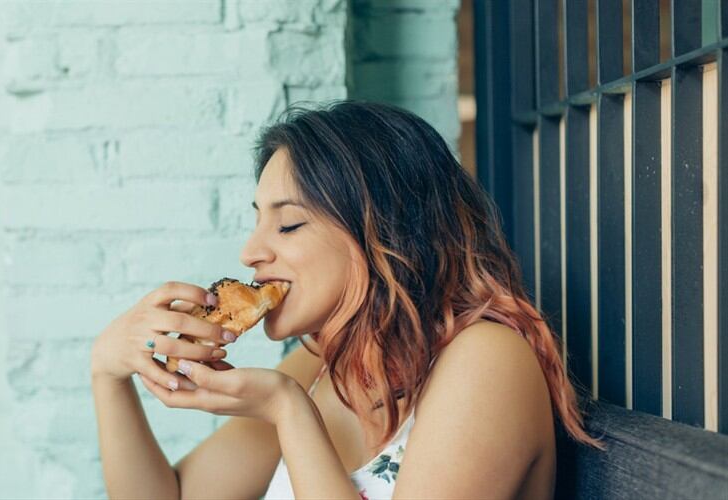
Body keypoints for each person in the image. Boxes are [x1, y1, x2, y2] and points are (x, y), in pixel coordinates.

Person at [90, 100, 604, 500]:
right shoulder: (318, 367)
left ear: (384, 229)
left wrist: (288, 412)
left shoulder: (487, 358)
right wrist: (107, 375)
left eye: (288, 224)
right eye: (258, 219)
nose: (250, 252)